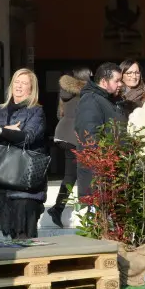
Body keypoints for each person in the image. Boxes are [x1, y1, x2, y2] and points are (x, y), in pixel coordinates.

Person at [0, 69, 47, 239]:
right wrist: (2, 131)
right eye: (17, 81)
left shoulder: (36, 111)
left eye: (24, 83)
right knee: (8, 238)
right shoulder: (0, 109)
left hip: (25, 182)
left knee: (25, 237)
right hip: (3, 181)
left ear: (31, 89)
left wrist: (1, 131)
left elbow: (29, 137)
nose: (19, 86)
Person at [74, 62, 126, 198]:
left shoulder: (108, 100)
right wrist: (105, 162)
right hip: (98, 175)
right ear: (104, 81)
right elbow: (89, 137)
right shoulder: (91, 100)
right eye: (117, 81)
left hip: (110, 172)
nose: (121, 84)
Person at [48, 67, 90, 228]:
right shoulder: (85, 92)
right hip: (75, 136)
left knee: (70, 175)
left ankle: (58, 208)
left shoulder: (65, 91)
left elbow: (60, 114)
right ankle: (86, 211)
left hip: (63, 134)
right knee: (85, 173)